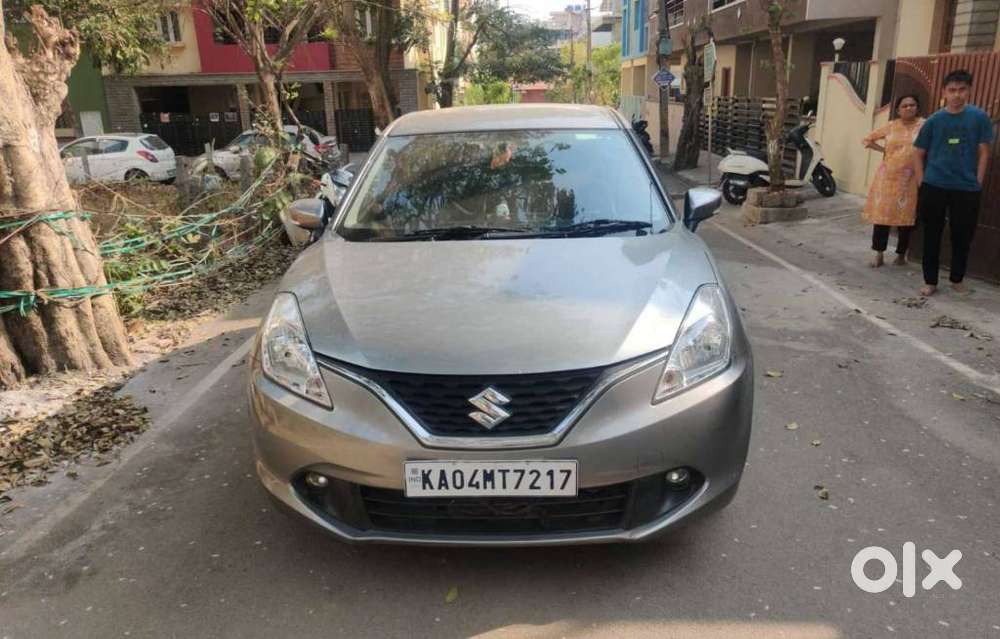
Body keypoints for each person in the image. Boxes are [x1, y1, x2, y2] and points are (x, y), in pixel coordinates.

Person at [913, 69, 994, 296]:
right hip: (934, 185)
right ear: (944, 92)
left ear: (969, 91)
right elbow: (918, 152)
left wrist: (977, 181)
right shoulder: (934, 121)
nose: (957, 95)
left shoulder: (979, 118)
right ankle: (930, 281)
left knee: (962, 235)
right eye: (952, 90)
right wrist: (922, 182)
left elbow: (984, 152)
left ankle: (957, 279)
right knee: (932, 235)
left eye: (961, 90)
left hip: (966, 189)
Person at [862, 95, 925, 267]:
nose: (909, 108)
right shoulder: (891, 126)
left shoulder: (924, 125)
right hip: (887, 179)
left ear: (917, 108)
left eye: (912, 105)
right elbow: (867, 140)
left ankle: (901, 255)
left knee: (906, 218)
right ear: (898, 110)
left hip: (909, 179)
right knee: (882, 218)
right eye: (904, 106)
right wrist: (884, 150)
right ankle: (879, 254)